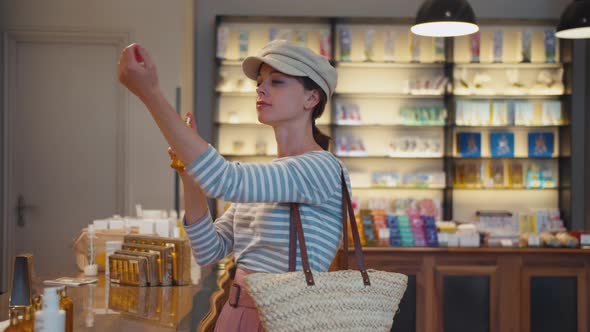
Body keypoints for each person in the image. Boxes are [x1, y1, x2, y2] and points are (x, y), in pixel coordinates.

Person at [117, 39, 351, 331]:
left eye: (276, 81)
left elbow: (225, 180)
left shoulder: (322, 167)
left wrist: (150, 94)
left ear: (311, 98)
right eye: (260, 82)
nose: (261, 89)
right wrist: (188, 175)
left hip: (284, 318)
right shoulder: (270, 181)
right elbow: (208, 249)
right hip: (236, 313)